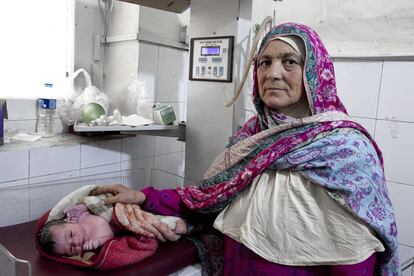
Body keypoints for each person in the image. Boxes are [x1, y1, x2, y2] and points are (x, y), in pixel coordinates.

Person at [91, 22, 400, 275]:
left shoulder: (345, 149)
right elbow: (206, 198)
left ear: (314, 74)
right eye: (264, 62)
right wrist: (145, 196)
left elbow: (357, 258)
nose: (272, 73)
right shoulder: (251, 138)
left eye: (289, 62)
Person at [39, 202, 188, 256]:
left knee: (149, 205)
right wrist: (97, 243)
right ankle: (175, 224)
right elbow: (108, 238)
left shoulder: (80, 217)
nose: (76, 242)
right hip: (123, 224)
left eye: (71, 234)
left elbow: (92, 202)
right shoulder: (92, 242)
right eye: (71, 249)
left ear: (68, 221)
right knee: (157, 223)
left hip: (121, 210)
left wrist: (81, 207)